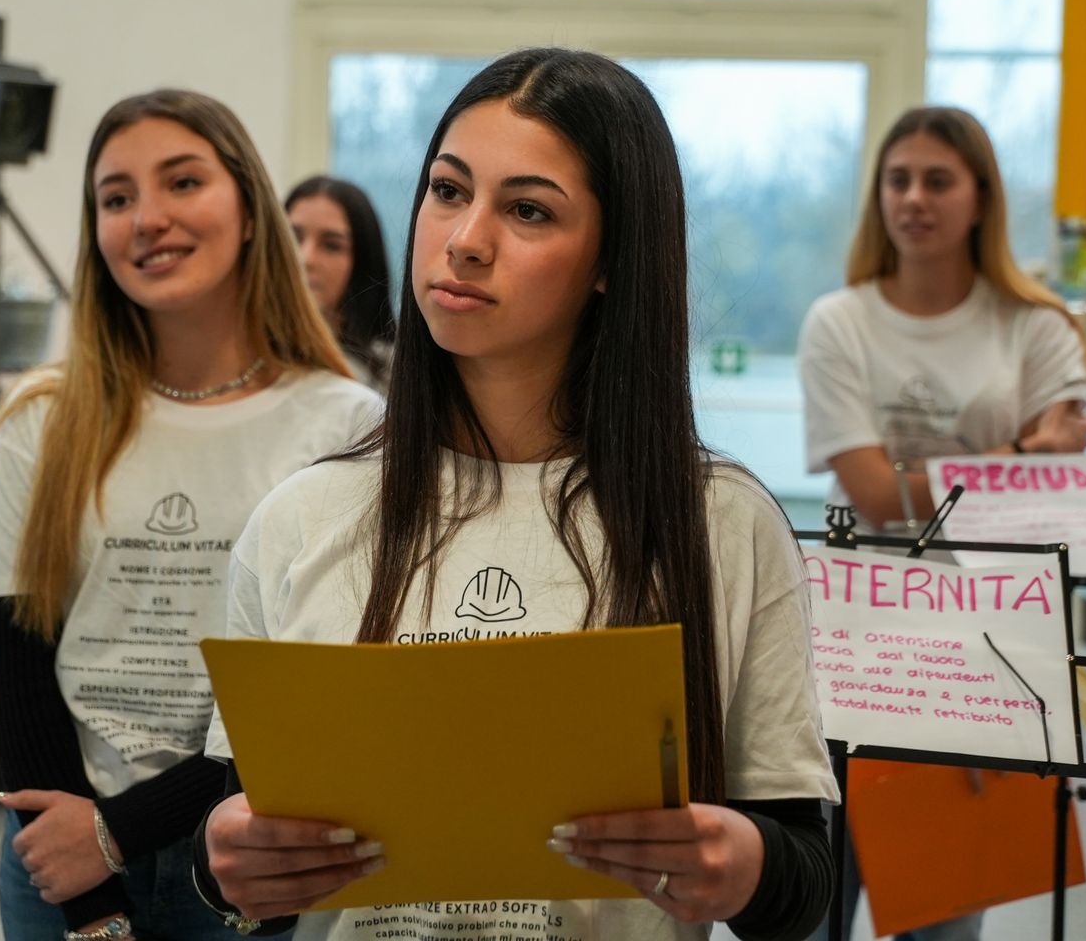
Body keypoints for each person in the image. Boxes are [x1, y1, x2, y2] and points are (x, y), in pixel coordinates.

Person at [194, 48, 838, 941]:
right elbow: (246, 852)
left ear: (612, 258)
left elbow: (803, 878)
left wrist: (742, 862)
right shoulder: (301, 518)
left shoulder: (719, 521)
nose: (465, 239)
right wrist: (221, 865)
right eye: (447, 190)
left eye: (527, 210)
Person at [0, 89, 382, 941]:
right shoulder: (40, 420)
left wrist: (117, 832)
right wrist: (86, 895)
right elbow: (16, 660)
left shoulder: (347, 425)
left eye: (182, 182)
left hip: (243, 859)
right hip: (58, 861)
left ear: (249, 207)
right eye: (116, 197)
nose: (147, 217)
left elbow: (323, 695)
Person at [798, 107, 1086, 939]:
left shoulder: (1038, 327)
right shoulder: (838, 321)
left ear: (980, 198)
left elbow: (1043, 501)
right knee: (818, 901)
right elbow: (873, 497)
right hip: (853, 638)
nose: (913, 199)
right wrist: (1016, 452)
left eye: (937, 180)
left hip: (983, 649)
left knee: (942, 914)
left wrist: (951, 478)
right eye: (897, 180)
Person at [284, 176, 396, 388]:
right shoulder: (239, 354)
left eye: (331, 245)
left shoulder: (394, 374)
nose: (305, 258)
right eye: (292, 238)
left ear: (362, 261)